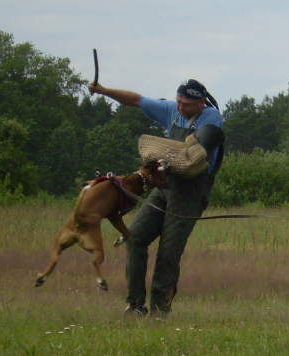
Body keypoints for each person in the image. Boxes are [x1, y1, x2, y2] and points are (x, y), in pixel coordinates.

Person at [88, 79, 224, 319]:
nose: (182, 108)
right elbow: (136, 100)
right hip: (165, 186)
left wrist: (161, 154)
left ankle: (160, 310)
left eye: (188, 105)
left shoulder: (211, 118)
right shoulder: (172, 110)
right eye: (180, 102)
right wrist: (103, 91)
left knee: (168, 252)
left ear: (201, 102)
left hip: (192, 190)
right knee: (136, 238)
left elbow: (191, 155)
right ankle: (135, 306)